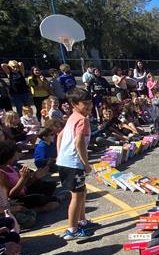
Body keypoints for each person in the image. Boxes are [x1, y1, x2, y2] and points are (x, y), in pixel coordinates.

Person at [56, 88, 95, 240]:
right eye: (85, 103)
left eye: (90, 102)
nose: (89, 106)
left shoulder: (73, 116)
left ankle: (82, 221)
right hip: (74, 163)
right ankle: (72, 229)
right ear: (74, 104)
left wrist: (61, 155)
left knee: (82, 192)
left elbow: (59, 136)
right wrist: (86, 163)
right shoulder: (82, 120)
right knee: (77, 196)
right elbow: (79, 143)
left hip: (66, 162)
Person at [0, 140, 58, 213]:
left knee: (49, 185)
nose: (17, 155)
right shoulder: (2, 174)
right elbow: (11, 195)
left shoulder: (10, 167)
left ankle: (48, 199)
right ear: (8, 158)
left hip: (24, 192)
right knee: (39, 198)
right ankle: (42, 206)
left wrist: (34, 177)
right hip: (16, 199)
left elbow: (25, 185)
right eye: (15, 154)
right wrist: (23, 178)